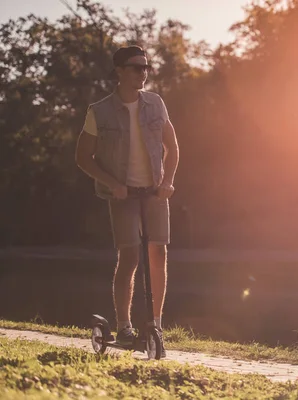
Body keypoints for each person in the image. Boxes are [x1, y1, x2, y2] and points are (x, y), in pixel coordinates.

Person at [75, 46, 179, 356]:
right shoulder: (100, 111)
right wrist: (112, 184)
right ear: (119, 70)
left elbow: (172, 147)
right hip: (122, 194)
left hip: (155, 191)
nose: (142, 72)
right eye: (136, 67)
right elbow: (83, 157)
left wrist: (168, 181)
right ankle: (124, 326)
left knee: (158, 252)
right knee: (130, 257)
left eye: (146, 67)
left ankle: (156, 324)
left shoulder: (156, 104)